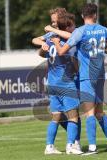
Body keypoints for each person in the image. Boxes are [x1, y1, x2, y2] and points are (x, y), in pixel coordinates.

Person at [52, 3, 107, 155]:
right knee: (99, 112)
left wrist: (56, 43)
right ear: (95, 15)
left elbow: (62, 52)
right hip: (100, 75)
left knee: (90, 113)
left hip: (86, 77)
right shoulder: (103, 30)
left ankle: (92, 147)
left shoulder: (80, 31)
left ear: (82, 16)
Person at [32, 8, 82, 155]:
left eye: (54, 20)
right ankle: (71, 146)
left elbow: (68, 34)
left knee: (56, 116)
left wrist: (46, 39)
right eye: (52, 20)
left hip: (52, 83)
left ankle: (49, 146)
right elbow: (37, 42)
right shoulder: (59, 36)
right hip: (65, 82)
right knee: (73, 116)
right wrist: (42, 45)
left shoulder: (55, 35)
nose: (52, 23)